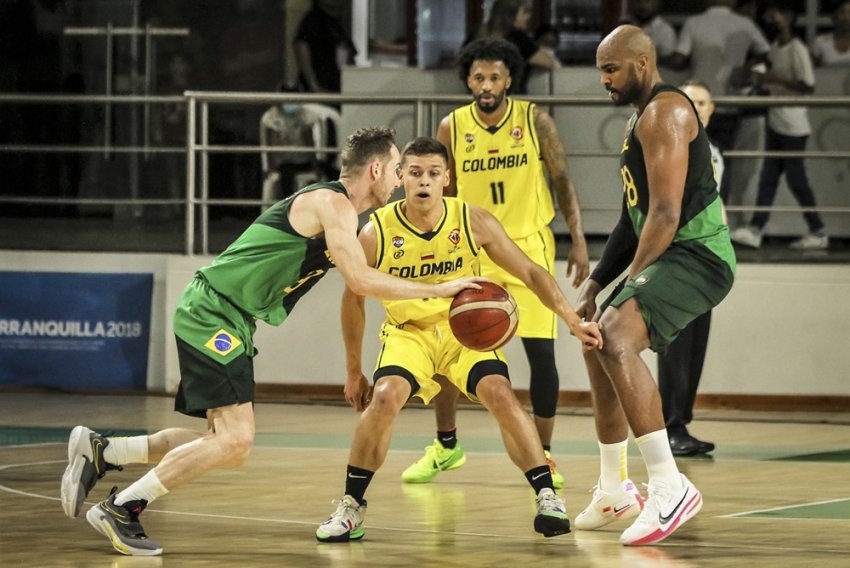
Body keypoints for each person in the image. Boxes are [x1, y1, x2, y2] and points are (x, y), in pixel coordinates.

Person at [60, 127, 484, 556]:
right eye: (396, 169)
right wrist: (440, 288)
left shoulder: (344, 214)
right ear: (375, 168)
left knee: (221, 439)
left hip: (229, 316)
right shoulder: (332, 203)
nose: (399, 180)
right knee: (235, 440)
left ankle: (107, 450)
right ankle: (124, 506)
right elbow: (359, 280)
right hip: (213, 311)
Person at [315, 137, 603, 543]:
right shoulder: (376, 231)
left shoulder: (472, 221)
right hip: (407, 334)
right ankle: (351, 506)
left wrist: (571, 319)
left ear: (447, 178)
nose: (424, 182)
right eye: (415, 172)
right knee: (384, 397)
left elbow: (531, 272)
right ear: (401, 176)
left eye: (433, 173)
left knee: (500, 393)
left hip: (461, 333)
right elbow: (353, 301)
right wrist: (352, 370)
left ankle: (546, 496)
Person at [398, 39, 590, 490]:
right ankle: (447, 446)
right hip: (472, 248)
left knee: (542, 355)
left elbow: (562, 179)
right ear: (468, 80)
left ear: (509, 80)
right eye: (479, 77)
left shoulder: (534, 119)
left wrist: (578, 240)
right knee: (449, 348)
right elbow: (444, 192)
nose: (486, 85)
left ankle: (544, 455)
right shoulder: (452, 126)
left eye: (495, 77)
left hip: (528, 246)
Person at [574, 25, 735, 546]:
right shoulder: (638, 119)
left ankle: (669, 486)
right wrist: (596, 282)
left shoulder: (665, 113)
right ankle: (613, 487)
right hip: (673, 249)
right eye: (601, 69)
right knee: (599, 336)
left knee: (616, 334)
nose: (603, 79)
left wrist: (625, 285)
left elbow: (664, 216)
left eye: (610, 68)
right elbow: (633, 218)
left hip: (699, 254)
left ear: (641, 65)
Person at [658, 80, 725, 457]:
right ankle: (669, 426)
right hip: (679, 255)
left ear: (711, 109)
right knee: (675, 344)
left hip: (707, 257)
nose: (696, 108)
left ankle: (681, 422)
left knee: (696, 344)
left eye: (702, 101)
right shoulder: (672, 147)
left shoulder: (712, 151)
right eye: (689, 101)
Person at [730, 7, 828, 251]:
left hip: (793, 125)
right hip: (776, 121)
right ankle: (756, 228)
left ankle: (818, 230)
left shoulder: (798, 49)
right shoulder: (775, 47)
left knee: (796, 180)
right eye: (770, 15)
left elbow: (808, 87)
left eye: (779, 14)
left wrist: (774, 80)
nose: (773, 18)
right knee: (768, 178)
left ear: (790, 18)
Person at [666, 0, 770, 202]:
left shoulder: (695, 22)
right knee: (721, 161)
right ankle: (718, 214)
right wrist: (749, 68)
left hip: (695, 104)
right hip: (730, 102)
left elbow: (678, 59)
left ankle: (692, 213)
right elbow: (766, 54)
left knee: (691, 159)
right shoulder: (745, 24)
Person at [471, 0, 558, 93]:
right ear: (511, 14)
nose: (528, 17)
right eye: (524, 12)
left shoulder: (476, 35)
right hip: (511, 100)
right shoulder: (517, 38)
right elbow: (549, 62)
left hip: (479, 99)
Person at [293, 0, 356, 93]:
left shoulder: (337, 23)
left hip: (336, 86)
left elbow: (348, 51)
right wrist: (314, 85)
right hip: (320, 88)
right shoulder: (313, 19)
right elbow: (301, 47)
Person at [812, 0, 850, 67]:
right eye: (841, 12)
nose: (846, 17)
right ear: (834, 17)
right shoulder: (821, 41)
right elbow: (808, 71)